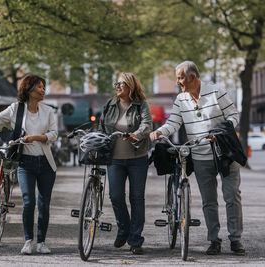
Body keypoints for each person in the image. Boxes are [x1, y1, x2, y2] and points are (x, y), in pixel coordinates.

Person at [150, 61, 245, 256]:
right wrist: (159, 131)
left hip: (224, 153)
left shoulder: (217, 91)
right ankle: (214, 240)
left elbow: (233, 115)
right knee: (208, 201)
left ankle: (235, 239)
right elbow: (174, 123)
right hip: (200, 155)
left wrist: (219, 132)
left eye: (180, 77)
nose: (178, 82)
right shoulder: (181, 99)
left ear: (192, 77)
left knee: (232, 196)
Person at [0, 75, 57, 255]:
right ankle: (28, 241)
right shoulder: (16, 109)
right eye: (39, 87)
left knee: (44, 204)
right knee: (29, 202)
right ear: (28, 89)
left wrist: (36, 137)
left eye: (44, 87)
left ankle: (42, 242)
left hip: (46, 163)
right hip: (26, 163)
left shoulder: (48, 111)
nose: (43, 90)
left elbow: (53, 134)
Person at [99, 72, 153, 255]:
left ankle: (135, 239)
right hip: (114, 159)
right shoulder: (110, 104)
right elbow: (101, 128)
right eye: (117, 83)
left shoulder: (140, 105)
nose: (118, 86)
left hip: (138, 157)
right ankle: (124, 229)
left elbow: (147, 124)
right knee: (115, 196)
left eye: (122, 83)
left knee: (137, 198)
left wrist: (136, 134)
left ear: (131, 86)